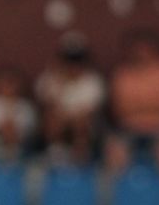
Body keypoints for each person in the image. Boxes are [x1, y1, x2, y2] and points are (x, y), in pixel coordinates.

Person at [104, 30, 159, 177]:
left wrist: (139, 105)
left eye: (146, 49)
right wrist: (152, 103)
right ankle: (112, 199)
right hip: (128, 128)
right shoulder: (122, 74)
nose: (142, 53)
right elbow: (120, 107)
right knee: (114, 152)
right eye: (138, 50)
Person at [34, 34, 106, 165]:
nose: (73, 65)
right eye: (69, 60)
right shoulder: (50, 78)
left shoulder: (93, 81)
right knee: (53, 119)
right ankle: (56, 155)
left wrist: (69, 117)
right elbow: (48, 104)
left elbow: (89, 111)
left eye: (77, 61)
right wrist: (60, 82)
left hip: (84, 123)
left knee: (81, 122)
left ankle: (81, 157)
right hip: (59, 121)